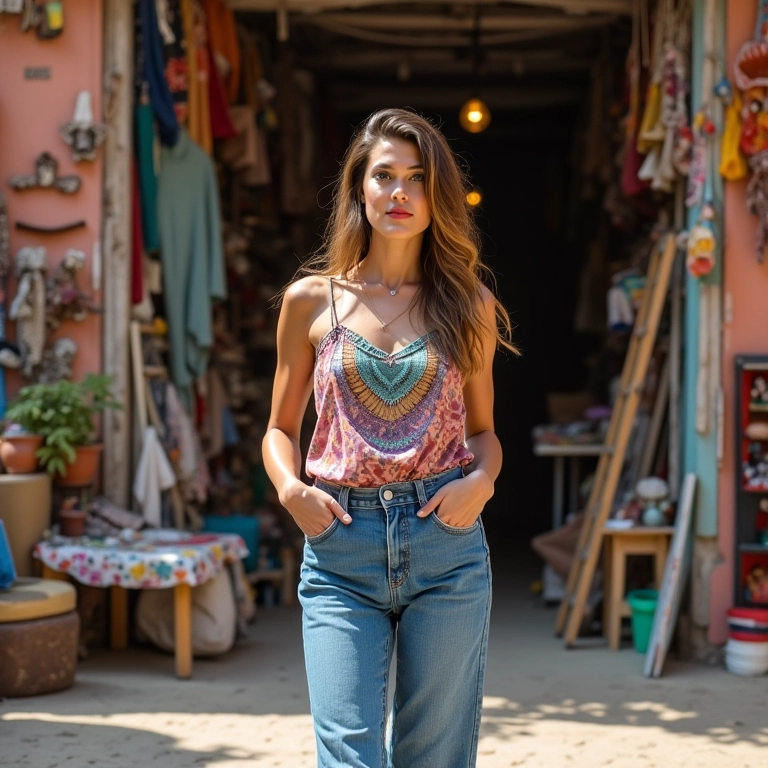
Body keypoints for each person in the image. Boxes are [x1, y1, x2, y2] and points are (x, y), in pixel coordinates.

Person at [262, 108, 518, 768]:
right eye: (384, 176)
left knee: (434, 756)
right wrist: (292, 492)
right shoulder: (311, 301)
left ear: (438, 198)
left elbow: (485, 435)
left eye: (417, 178)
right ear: (359, 190)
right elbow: (280, 429)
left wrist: (481, 484)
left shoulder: (470, 306)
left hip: (446, 547)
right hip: (341, 546)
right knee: (348, 755)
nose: (399, 192)